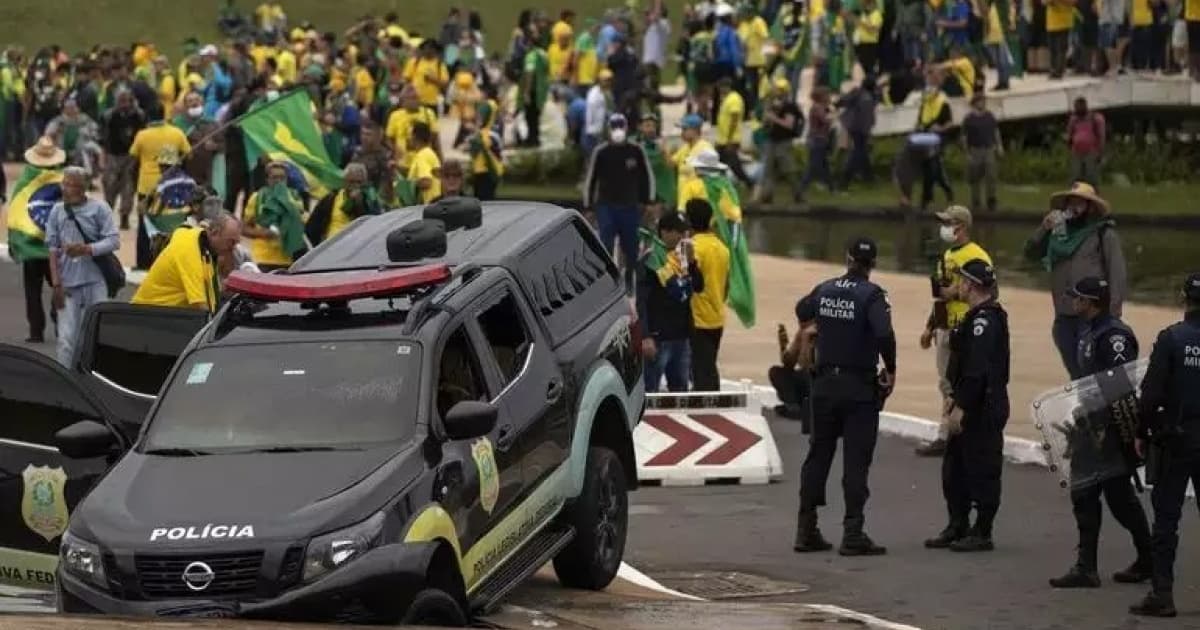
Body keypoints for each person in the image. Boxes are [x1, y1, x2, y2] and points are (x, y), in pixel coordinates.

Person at [1048, 277, 1153, 589]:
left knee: (1119, 498)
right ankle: (1086, 566)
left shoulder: (1114, 336)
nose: (1073, 302)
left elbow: (1119, 386)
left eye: (1078, 298)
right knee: (1084, 494)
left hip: (1108, 427)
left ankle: (1147, 557)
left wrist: (1110, 426)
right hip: (1088, 424)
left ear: (1091, 302)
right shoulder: (1087, 329)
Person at [793, 237, 896, 557]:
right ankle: (853, 532)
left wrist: (812, 330)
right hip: (857, 388)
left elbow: (802, 308)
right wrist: (891, 368)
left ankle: (806, 529)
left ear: (847, 257)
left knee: (818, 456)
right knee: (856, 461)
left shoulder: (825, 288)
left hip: (823, 385)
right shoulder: (872, 296)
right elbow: (883, 333)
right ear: (873, 264)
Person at [924, 259, 1010, 552]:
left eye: (960, 281)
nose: (956, 286)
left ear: (971, 285)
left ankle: (982, 530)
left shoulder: (985, 322)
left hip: (982, 406)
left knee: (983, 467)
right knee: (954, 469)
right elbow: (959, 363)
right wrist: (950, 395)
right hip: (963, 399)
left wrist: (961, 406)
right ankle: (957, 524)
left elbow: (978, 371)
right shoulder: (973, 317)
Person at [1129, 273, 1200, 617]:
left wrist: (1140, 432)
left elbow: (1151, 394)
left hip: (1175, 438)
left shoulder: (1172, 338)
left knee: (1166, 519)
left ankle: (1163, 593)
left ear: (1184, 298)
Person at [1024, 182, 1127, 379]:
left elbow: (1117, 274)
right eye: (1071, 201)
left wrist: (1113, 315)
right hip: (1064, 316)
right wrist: (1043, 229)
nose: (1074, 205)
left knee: (1095, 375)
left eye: (1081, 202)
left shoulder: (1103, 233)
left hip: (1094, 316)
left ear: (1091, 207)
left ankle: (1097, 409)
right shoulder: (1057, 234)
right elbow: (1030, 254)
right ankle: (1085, 407)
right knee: (1077, 375)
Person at [916, 206, 994, 457]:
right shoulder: (947, 255)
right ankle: (948, 432)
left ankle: (959, 433)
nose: (944, 227)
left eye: (948, 222)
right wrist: (930, 327)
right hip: (945, 327)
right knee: (946, 383)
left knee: (966, 381)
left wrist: (959, 292)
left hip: (967, 326)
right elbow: (941, 296)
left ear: (961, 226)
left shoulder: (977, 255)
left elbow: (991, 291)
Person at [44, 166, 120, 366]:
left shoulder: (100, 209)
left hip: (96, 282)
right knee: (66, 339)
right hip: (68, 284)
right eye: (65, 184)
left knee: (94, 333)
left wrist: (87, 249)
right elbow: (52, 249)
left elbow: (113, 241)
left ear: (83, 188)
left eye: (72, 185)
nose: (67, 189)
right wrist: (56, 283)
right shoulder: (57, 211)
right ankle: (66, 380)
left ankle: (91, 378)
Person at [582, 113, 655, 294]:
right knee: (605, 246)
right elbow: (591, 179)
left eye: (621, 127)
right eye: (614, 127)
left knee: (630, 248)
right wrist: (588, 206)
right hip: (606, 207)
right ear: (609, 129)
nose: (618, 131)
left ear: (627, 128)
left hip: (629, 207)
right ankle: (608, 282)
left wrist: (648, 201)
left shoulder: (636, 151)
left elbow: (647, 177)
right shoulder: (601, 152)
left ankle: (629, 278)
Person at [638, 211, 704, 393]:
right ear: (665, 232)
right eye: (680, 233)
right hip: (658, 338)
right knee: (649, 391)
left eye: (687, 233)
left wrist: (691, 264)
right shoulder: (651, 260)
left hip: (681, 337)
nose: (685, 238)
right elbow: (641, 301)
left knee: (680, 391)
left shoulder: (682, 258)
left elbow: (698, 287)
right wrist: (645, 336)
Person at [10, 137, 66, 343]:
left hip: (31, 247)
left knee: (32, 290)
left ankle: (36, 331)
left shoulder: (25, 181)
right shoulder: (63, 180)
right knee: (59, 285)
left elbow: (15, 214)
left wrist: (15, 244)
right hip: (57, 248)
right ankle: (61, 322)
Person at [132, 212, 242, 313]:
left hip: (166, 315)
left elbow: (210, 293)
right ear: (214, 233)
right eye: (231, 242)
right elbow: (202, 307)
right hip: (146, 316)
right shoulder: (190, 250)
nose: (233, 248)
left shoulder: (204, 246)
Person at [129, 105, 192, 270]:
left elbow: (133, 159)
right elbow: (188, 153)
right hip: (176, 185)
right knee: (172, 224)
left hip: (147, 186)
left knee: (145, 226)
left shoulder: (142, 135)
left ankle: (144, 262)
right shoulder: (177, 132)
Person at [686, 198, 731, 392]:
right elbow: (726, 284)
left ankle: (708, 411)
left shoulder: (690, 247)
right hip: (717, 317)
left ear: (688, 221)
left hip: (697, 317)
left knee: (702, 371)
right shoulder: (722, 248)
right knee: (709, 365)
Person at [241, 161, 306, 271]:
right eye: (275, 177)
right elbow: (243, 228)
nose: (278, 181)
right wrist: (264, 233)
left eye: (282, 178)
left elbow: (302, 224)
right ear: (268, 179)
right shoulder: (257, 198)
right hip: (262, 258)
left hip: (287, 259)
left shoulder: (294, 198)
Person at [99, 89, 146, 230]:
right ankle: (106, 219)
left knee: (129, 188)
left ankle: (124, 217)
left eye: (127, 100)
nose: (124, 104)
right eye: (121, 100)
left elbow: (142, 135)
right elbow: (102, 138)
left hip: (131, 157)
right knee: (109, 187)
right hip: (112, 156)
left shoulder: (139, 116)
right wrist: (103, 157)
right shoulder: (108, 116)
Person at [305, 162, 381, 246]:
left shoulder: (371, 200)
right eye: (351, 182)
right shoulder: (331, 198)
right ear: (345, 181)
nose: (355, 186)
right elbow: (313, 226)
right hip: (331, 246)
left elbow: (374, 224)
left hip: (358, 247)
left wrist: (359, 204)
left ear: (364, 182)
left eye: (359, 182)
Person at [755, 78, 803, 204]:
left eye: (778, 90)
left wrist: (774, 118)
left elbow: (789, 124)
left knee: (788, 168)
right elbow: (766, 123)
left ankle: (798, 193)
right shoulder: (773, 105)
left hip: (784, 141)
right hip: (772, 139)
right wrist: (766, 119)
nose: (776, 92)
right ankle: (767, 196)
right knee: (768, 169)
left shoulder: (790, 107)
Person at [961, 94, 1003, 213]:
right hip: (975, 150)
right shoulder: (969, 118)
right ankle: (976, 202)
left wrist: (999, 146)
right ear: (975, 103)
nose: (983, 103)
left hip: (989, 149)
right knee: (975, 177)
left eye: (984, 101)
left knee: (991, 175)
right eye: (980, 101)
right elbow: (964, 137)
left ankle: (991, 200)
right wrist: (967, 153)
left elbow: (996, 131)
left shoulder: (989, 116)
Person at [836, 76, 877, 190]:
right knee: (858, 152)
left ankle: (868, 176)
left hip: (852, 124)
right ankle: (844, 181)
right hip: (860, 127)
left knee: (861, 150)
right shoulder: (869, 97)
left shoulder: (857, 92)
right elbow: (867, 117)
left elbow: (842, 101)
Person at [669, 113, 715, 212]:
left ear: (694, 131)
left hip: (699, 203)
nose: (681, 133)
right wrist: (664, 151)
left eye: (685, 129)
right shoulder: (685, 148)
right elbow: (671, 163)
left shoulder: (705, 149)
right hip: (683, 202)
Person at [797, 86, 836, 201]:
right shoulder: (817, 108)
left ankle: (832, 188)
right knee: (812, 167)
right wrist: (834, 115)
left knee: (825, 167)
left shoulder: (822, 107)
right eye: (827, 95)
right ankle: (800, 190)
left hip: (821, 140)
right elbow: (824, 119)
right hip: (817, 140)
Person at [714, 76, 753, 187]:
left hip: (730, 139)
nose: (720, 90)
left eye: (721, 87)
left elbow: (734, 119)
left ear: (726, 87)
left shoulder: (734, 99)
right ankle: (720, 186)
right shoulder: (726, 98)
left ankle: (748, 182)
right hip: (723, 139)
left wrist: (729, 139)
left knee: (734, 165)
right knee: (719, 164)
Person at [1067, 97, 1105, 189]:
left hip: (1091, 151)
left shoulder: (1094, 118)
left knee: (1091, 176)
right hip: (1076, 151)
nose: (1077, 109)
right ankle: (1075, 196)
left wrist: (1100, 151)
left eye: (1079, 107)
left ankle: (1093, 195)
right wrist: (1069, 145)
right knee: (1076, 175)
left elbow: (1101, 135)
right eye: (1076, 107)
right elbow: (1070, 134)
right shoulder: (1074, 119)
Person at [407, 122, 442, 205]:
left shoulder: (422, 156)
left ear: (414, 137)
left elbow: (426, 182)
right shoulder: (429, 153)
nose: (408, 139)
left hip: (428, 205)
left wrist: (406, 184)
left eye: (410, 135)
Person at [584, 69, 614, 157]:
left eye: (609, 80)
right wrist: (591, 129)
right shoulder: (594, 95)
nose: (608, 83)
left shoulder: (607, 92)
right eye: (605, 80)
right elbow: (590, 113)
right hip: (594, 131)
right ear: (600, 81)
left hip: (604, 129)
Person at [1046, 0, 1076, 78]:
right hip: (1051, 22)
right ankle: (1053, 69)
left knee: (1061, 48)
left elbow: (1073, 2)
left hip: (1064, 22)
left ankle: (1059, 71)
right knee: (1052, 49)